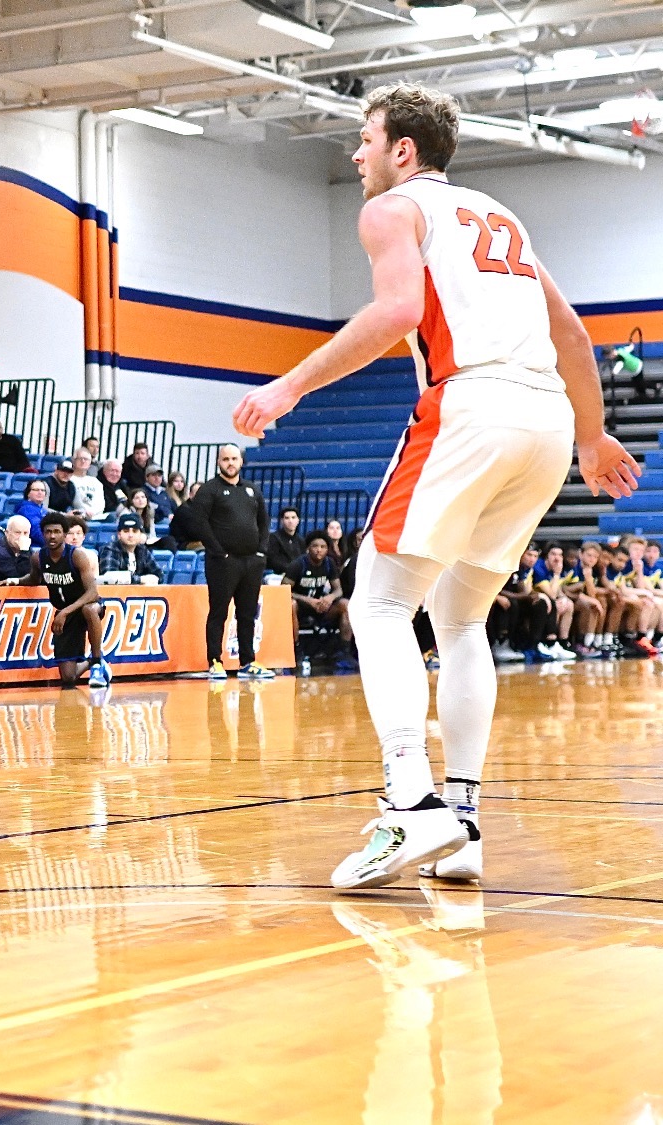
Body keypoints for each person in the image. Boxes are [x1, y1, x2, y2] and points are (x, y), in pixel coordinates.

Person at [231, 82, 639, 891]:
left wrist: (288, 387)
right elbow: (571, 332)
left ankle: (411, 802)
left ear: (402, 149)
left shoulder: (394, 210)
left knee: (378, 602)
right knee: (460, 618)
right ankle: (464, 824)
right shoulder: (501, 216)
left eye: (365, 138)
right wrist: (591, 438)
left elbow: (395, 313)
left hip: (470, 403)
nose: (356, 154)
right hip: (546, 421)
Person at [171, 444, 271, 680]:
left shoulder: (252, 490)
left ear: (241, 462)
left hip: (251, 562)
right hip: (222, 562)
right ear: (218, 462)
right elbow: (199, 523)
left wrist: (261, 552)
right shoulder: (209, 489)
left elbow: (264, 522)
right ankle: (215, 661)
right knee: (219, 612)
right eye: (226, 459)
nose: (230, 463)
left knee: (247, 614)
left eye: (234, 458)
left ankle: (248, 662)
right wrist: (218, 551)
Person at [33, 513, 111, 689]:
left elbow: (93, 592)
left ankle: (97, 663)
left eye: (57, 532)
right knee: (68, 678)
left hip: (86, 604)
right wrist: (14, 580)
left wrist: (65, 612)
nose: (52, 536)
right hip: (66, 611)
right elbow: (33, 578)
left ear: (64, 534)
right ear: (43, 534)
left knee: (89, 610)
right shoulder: (38, 558)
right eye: (48, 532)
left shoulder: (77, 556)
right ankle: (91, 662)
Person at [285, 531, 346, 665]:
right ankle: (295, 649)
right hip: (300, 608)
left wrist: (329, 598)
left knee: (345, 604)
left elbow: (339, 590)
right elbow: (283, 590)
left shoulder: (329, 563)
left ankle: (344, 652)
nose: (319, 550)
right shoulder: (298, 564)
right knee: (291, 604)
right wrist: (307, 600)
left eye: (323, 547)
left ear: (327, 549)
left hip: (320, 606)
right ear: (308, 548)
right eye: (315, 546)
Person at [99, 514, 162, 584]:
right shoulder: (110, 549)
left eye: (135, 531)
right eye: (126, 531)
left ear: (140, 534)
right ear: (119, 534)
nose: (130, 535)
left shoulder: (143, 550)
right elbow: (110, 577)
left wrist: (154, 578)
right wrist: (140, 579)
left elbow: (159, 574)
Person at [0, 515, 37, 584]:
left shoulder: (26, 548)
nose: (22, 537)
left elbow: (34, 576)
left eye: (25, 533)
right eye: (17, 533)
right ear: (7, 533)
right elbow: (19, 576)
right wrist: (24, 551)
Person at [263, 506, 304, 577]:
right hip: (277, 575)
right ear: (282, 521)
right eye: (287, 518)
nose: (290, 521)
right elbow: (272, 560)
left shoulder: (300, 540)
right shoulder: (274, 538)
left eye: (293, 517)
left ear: (298, 520)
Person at [13, 479, 50, 548]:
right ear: (28, 493)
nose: (40, 492)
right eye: (36, 490)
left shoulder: (43, 510)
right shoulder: (27, 509)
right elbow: (36, 532)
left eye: (42, 490)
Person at [69, 450, 105, 520]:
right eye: (80, 458)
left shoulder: (95, 481)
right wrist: (84, 513)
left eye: (86, 459)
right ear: (73, 461)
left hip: (95, 516)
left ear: (90, 462)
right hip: (77, 516)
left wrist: (92, 512)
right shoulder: (69, 479)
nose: (83, 461)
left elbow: (101, 504)